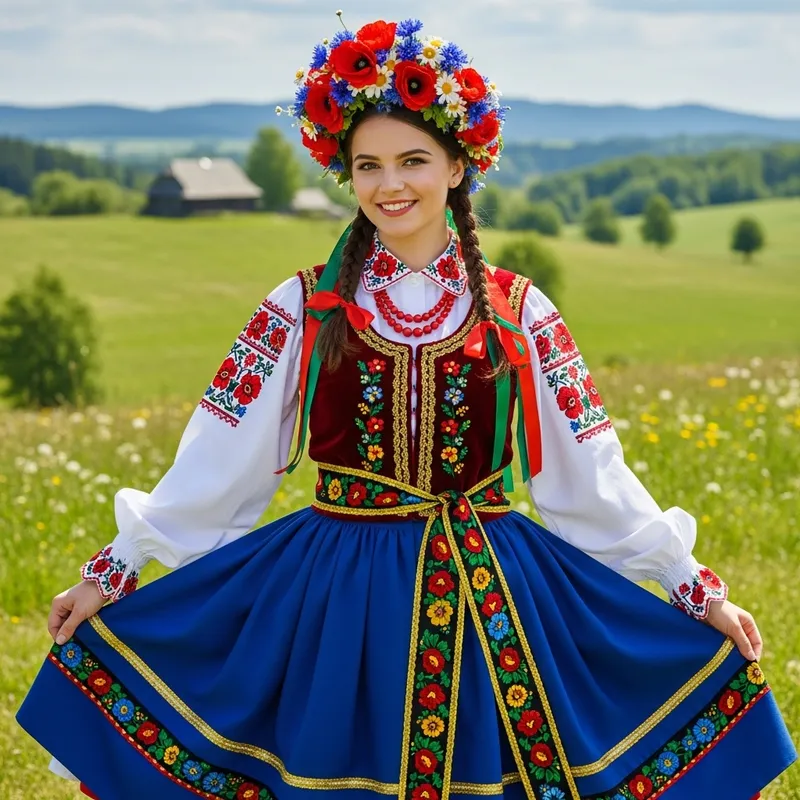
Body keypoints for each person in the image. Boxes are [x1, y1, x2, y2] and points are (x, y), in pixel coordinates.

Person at [16, 16, 796, 800]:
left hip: (493, 591)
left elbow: (589, 475)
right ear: (346, 175)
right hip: (334, 594)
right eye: (369, 166)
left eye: (414, 160)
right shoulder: (304, 307)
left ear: (459, 166)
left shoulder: (520, 310)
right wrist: (116, 571)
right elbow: (220, 460)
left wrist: (694, 587)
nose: (391, 184)